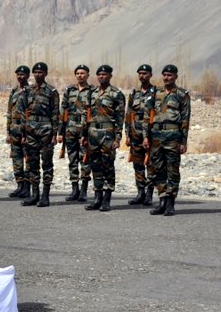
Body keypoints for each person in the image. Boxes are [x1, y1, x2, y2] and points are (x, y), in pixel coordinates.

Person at [148, 64, 191, 216]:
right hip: (156, 136)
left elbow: (185, 119)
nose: (167, 78)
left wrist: (184, 142)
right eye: (165, 75)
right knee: (158, 169)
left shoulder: (181, 94)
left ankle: (170, 203)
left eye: (170, 75)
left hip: (173, 137)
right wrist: (147, 137)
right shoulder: (156, 92)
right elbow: (149, 115)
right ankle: (162, 201)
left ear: (175, 77)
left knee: (172, 170)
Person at [81, 65, 125, 212]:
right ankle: (97, 198)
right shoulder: (91, 93)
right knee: (95, 166)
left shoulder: (116, 94)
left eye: (104, 74)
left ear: (110, 76)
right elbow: (86, 114)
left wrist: (117, 138)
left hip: (108, 133)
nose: (101, 77)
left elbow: (120, 119)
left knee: (107, 166)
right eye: (99, 74)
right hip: (93, 132)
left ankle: (107, 199)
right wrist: (84, 134)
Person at [20, 62, 59, 207]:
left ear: (46, 73)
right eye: (35, 72)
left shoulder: (51, 91)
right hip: (30, 131)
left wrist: (55, 134)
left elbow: (55, 114)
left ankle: (45, 196)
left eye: (41, 72)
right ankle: (34, 195)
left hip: (46, 130)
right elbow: (23, 113)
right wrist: (23, 133)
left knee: (47, 164)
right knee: (32, 163)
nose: (38, 74)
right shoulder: (27, 91)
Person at [58, 64, 93, 202]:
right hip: (70, 128)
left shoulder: (92, 91)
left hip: (85, 130)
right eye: (78, 73)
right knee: (72, 159)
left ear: (88, 75)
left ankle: (84, 190)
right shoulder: (69, 91)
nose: (80, 75)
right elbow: (63, 111)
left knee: (85, 159)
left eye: (83, 73)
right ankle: (74, 190)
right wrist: (60, 132)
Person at [125, 64, 157, 206]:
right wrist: (127, 133)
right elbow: (129, 114)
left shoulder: (156, 92)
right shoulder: (134, 93)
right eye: (140, 73)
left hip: (150, 134)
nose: (142, 76)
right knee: (137, 164)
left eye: (145, 73)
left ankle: (149, 194)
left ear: (150, 75)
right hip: (135, 133)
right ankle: (140, 193)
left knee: (150, 164)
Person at [7, 66, 31, 199]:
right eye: (18, 75)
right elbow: (9, 112)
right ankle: (19, 186)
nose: (20, 77)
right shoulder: (14, 91)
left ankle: (27, 187)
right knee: (16, 159)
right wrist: (8, 132)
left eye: (22, 75)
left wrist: (27, 133)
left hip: (26, 130)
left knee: (28, 159)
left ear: (27, 76)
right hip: (14, 129)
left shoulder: (30, 91)